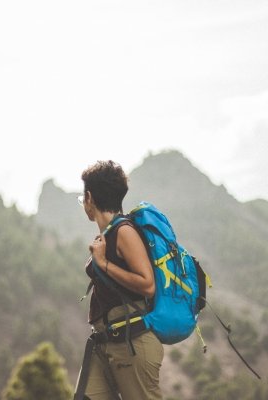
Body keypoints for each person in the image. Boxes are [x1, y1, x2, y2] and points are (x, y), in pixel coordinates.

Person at [76, 160, 163, 400]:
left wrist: (103, 263)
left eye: (82, 197)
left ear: (90, 198)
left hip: (131, 344)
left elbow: (147, 283)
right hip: (104, 343)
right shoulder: (107, 234)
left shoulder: (124, 231)